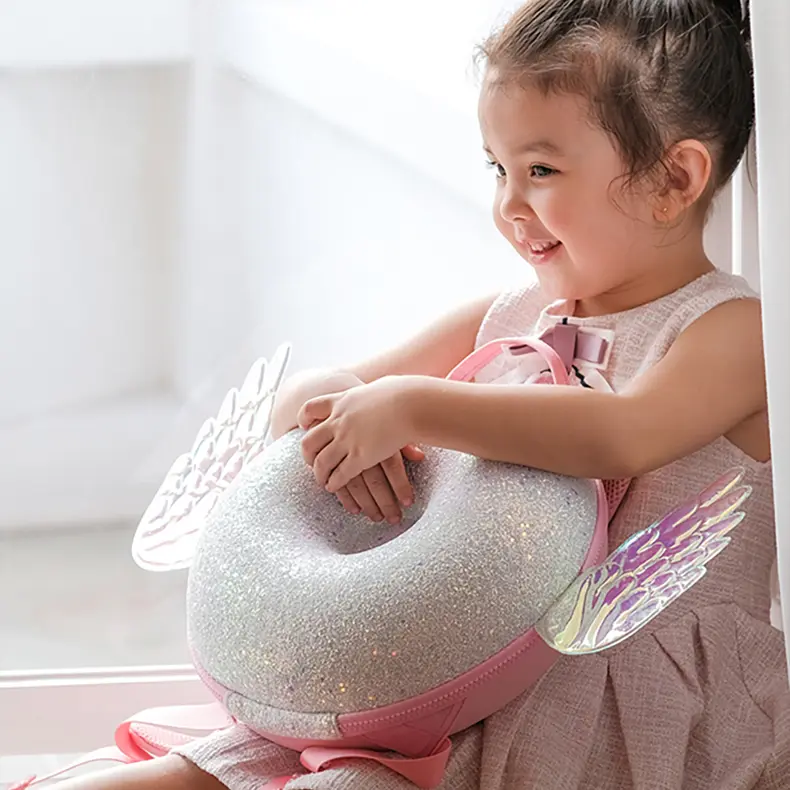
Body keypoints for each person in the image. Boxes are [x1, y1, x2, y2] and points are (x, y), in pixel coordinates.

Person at [49, 0, 790, 788]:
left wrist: (412, 407)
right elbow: (308, 401)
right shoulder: (510, 315)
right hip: (450, 680)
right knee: (188, 773)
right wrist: (337, 409)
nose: (508, 205)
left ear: (674, 179)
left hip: (614, 698)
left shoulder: (732, 331)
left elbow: (623, 435)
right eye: (497, 168)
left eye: (540, 171)